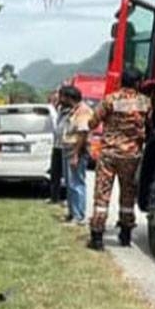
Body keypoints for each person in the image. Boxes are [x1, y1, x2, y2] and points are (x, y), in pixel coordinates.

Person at [87, 68, 152, 250]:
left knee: (102, 194)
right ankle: (125, 235)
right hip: (131, 155)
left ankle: (97, 237)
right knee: (128, 195)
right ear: (138, 83)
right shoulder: (145, 102)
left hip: (109, 154)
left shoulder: (110, 100)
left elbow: (92, 122)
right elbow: (150, 124)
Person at [58, 85, 94, 226]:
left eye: (62, 97)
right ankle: (72, 212)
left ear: (69, 97)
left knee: (76, 183)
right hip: (68, 149)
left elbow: (82, 134)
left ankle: (78, 216)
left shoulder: (83, 111)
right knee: (69, 183)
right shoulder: (71, 111)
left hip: (76, 150)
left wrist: (75, 154)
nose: (60, 100)